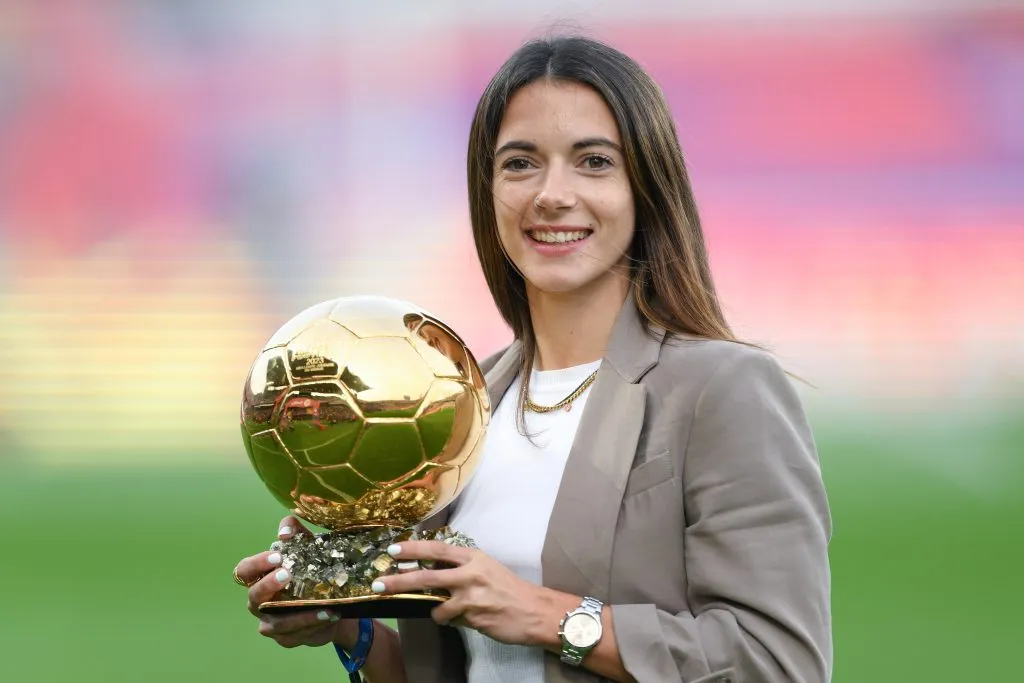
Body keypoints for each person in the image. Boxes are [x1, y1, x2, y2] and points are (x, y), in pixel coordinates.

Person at [233, 35, 832, 683]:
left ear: (646, 186)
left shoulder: (723, 388)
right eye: (520, 163)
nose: (552, 193)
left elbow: (779, 663)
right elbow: (468, 666)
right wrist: (347, 623)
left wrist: (547, 614)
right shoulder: (461, 401)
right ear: (488, 192)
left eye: (594, 161)